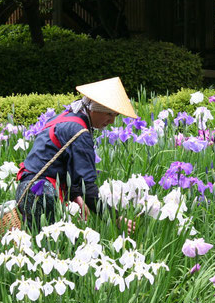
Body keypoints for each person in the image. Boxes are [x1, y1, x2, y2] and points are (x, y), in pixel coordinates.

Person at [15, 77, 137, 229]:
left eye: (115, 116)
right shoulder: (79, 131)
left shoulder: (65, 117)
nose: (111, 121)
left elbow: (64, 168)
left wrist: (75, 195)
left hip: (28, 191)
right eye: (109, 114)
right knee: (53, 249)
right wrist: (116, 218)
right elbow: (87, 186)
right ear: (93, 109)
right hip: (43, 196)